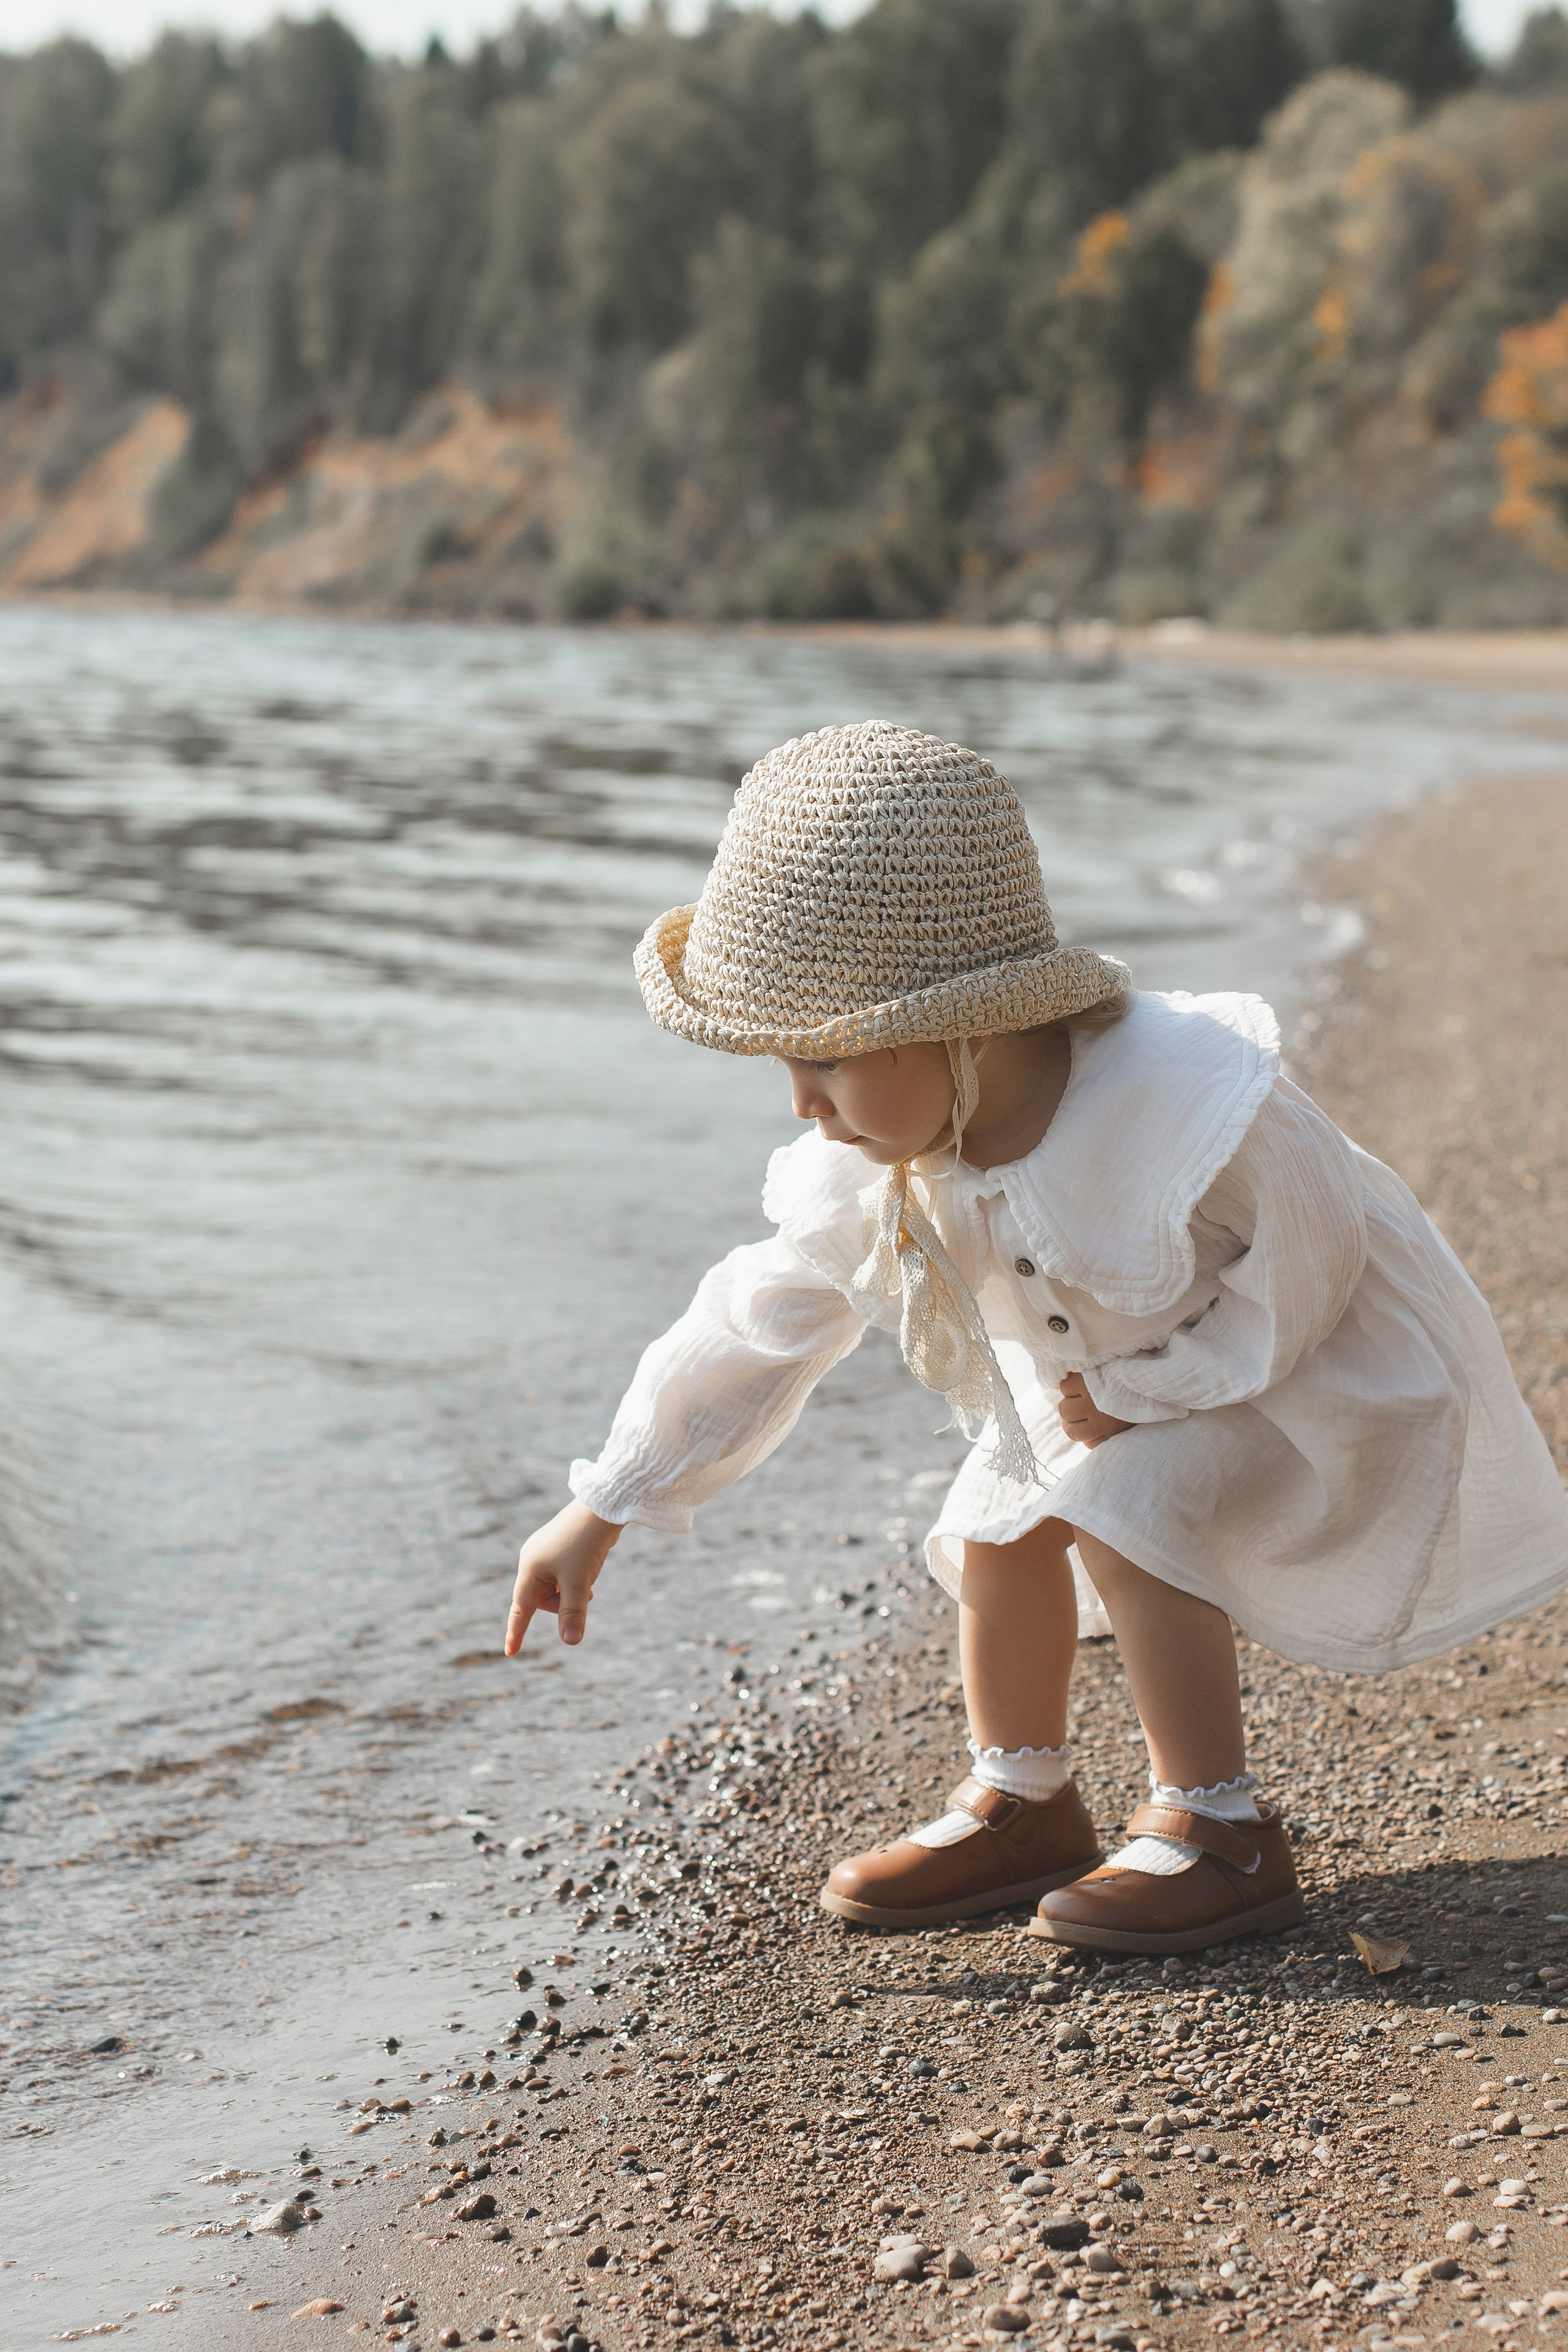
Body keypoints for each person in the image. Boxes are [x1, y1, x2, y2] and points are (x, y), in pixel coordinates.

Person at [503, 722, 1568, 1954]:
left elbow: (1318, 1262)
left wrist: (1162, 1389)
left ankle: (1216, 1825)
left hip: (1296, 1377)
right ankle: (1024, 1799)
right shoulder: (880, 1161)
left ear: (959, 1029)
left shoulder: (1187, 1100)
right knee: (994, 1525)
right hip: (1094, 1392)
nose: (799, 1104)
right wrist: (610, 1500)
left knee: (1124, 1507)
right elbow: (756, 1321)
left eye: (824, 1063)